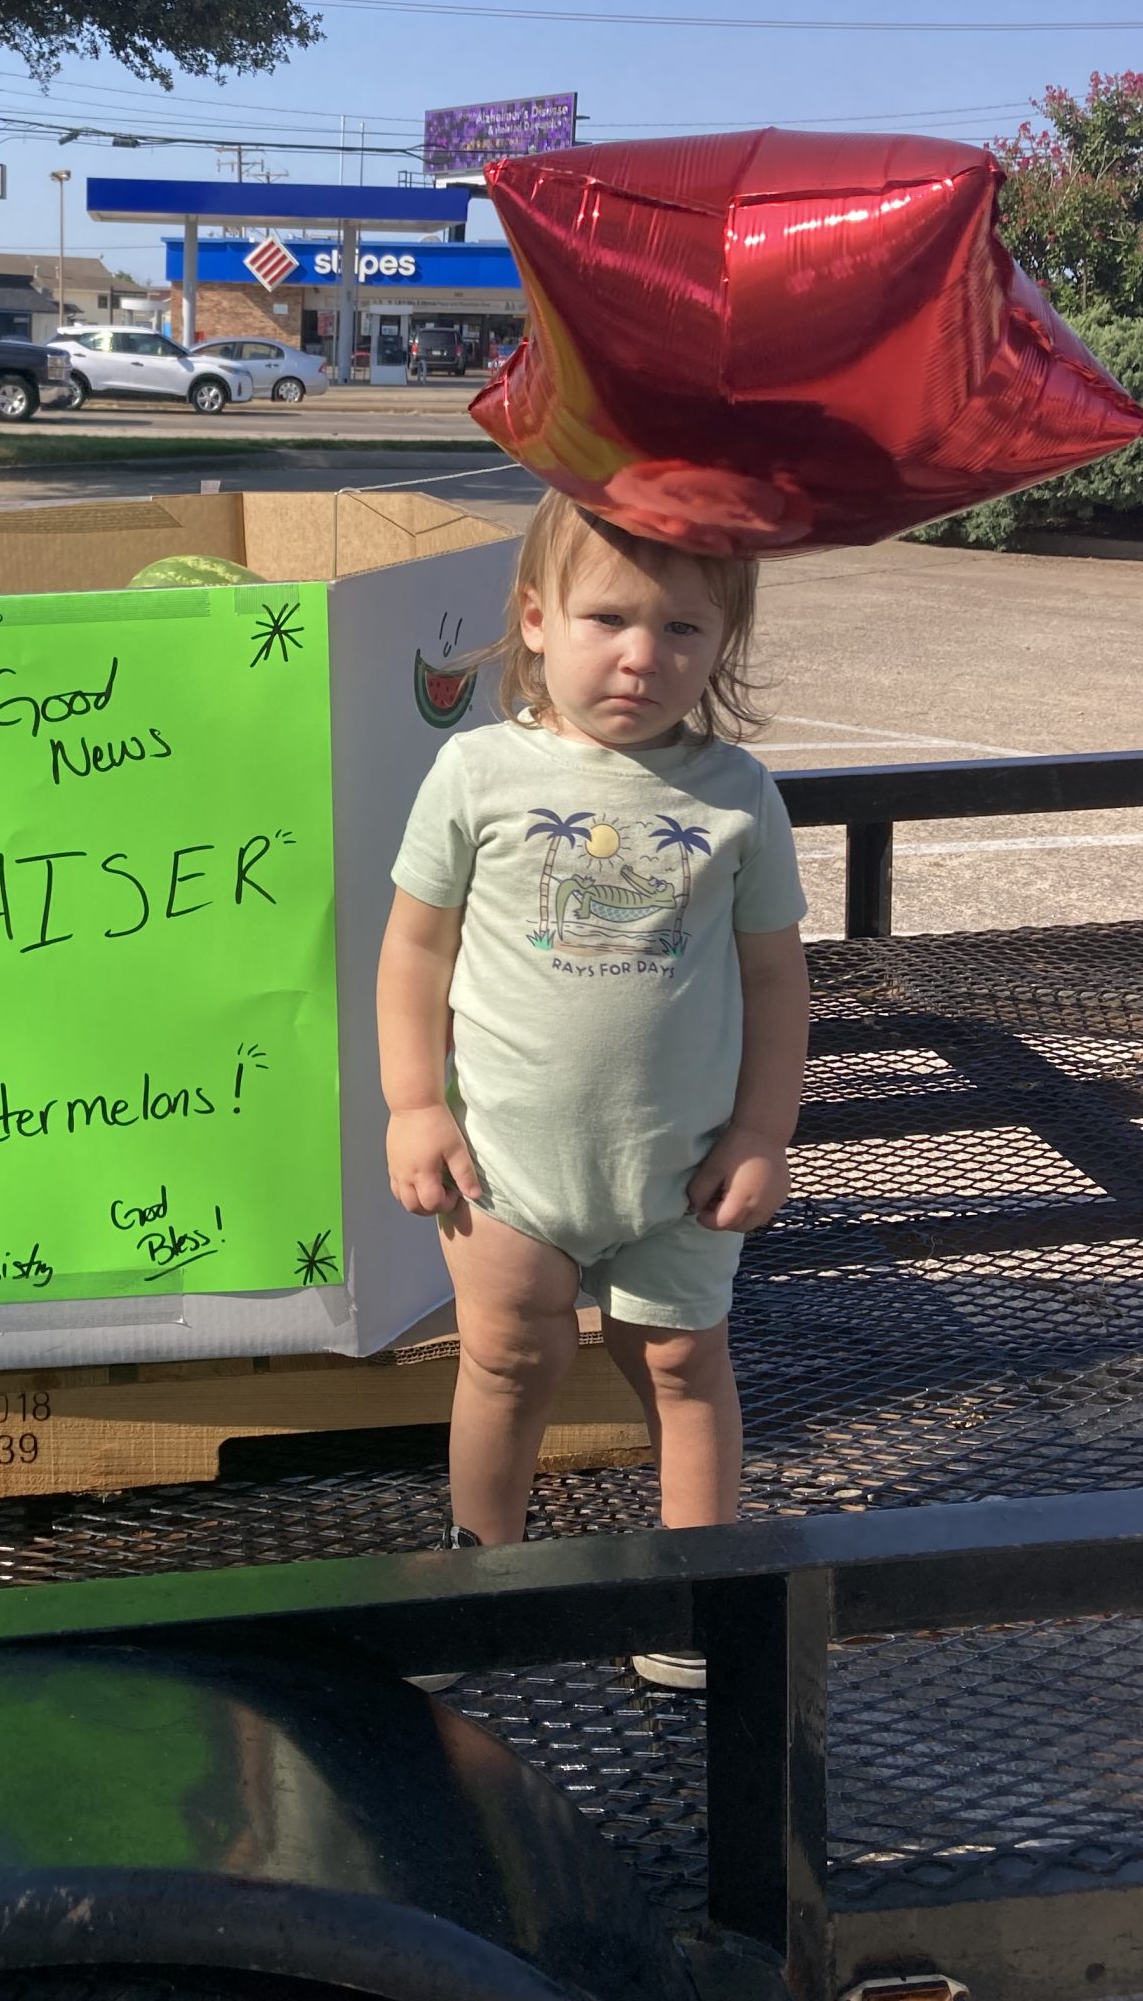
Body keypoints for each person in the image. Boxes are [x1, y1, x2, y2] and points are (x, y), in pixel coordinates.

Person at [376, 488, 808, 1687]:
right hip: (508, 1169)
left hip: (684, 1171)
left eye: (684, 628)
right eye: (608, 617)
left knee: (682, 1367)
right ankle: (481, 1580)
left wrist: (764, 1131)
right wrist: (415, 1105)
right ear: (535, 618)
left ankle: (691, 1590)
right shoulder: (476, 772)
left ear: (722, 644)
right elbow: (415, 952)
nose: (641, 655)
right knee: (506, 1363)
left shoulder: (736, 795)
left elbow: (776, 980)